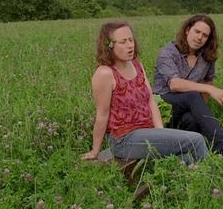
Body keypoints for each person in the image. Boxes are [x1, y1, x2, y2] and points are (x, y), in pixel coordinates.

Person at [81, 20, 207, 164]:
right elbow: (102, 114)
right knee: (196, 141)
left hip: (147, 132)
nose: (130, 45)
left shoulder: (136, 65)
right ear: (109, 46)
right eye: (123, 42)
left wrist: (161, 132)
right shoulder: (105, 73)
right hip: (124, 139)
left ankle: (180, 180)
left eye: (131, 39)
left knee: (185, 157)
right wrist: (95, 150)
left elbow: (150, 100)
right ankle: (212, 180)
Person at [153, 14, 223, 158]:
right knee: (193, 95)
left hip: (185, 110)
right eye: (197, 32)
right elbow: (174, 84)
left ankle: (192, 154)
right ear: (187, 30)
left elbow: (208, 81)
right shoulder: (168, 52)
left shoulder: (206, 57)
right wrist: (209, 89)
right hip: (163, 105)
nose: (200, 38)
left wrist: (201, 112)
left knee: (192, 119)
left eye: (205, 35)